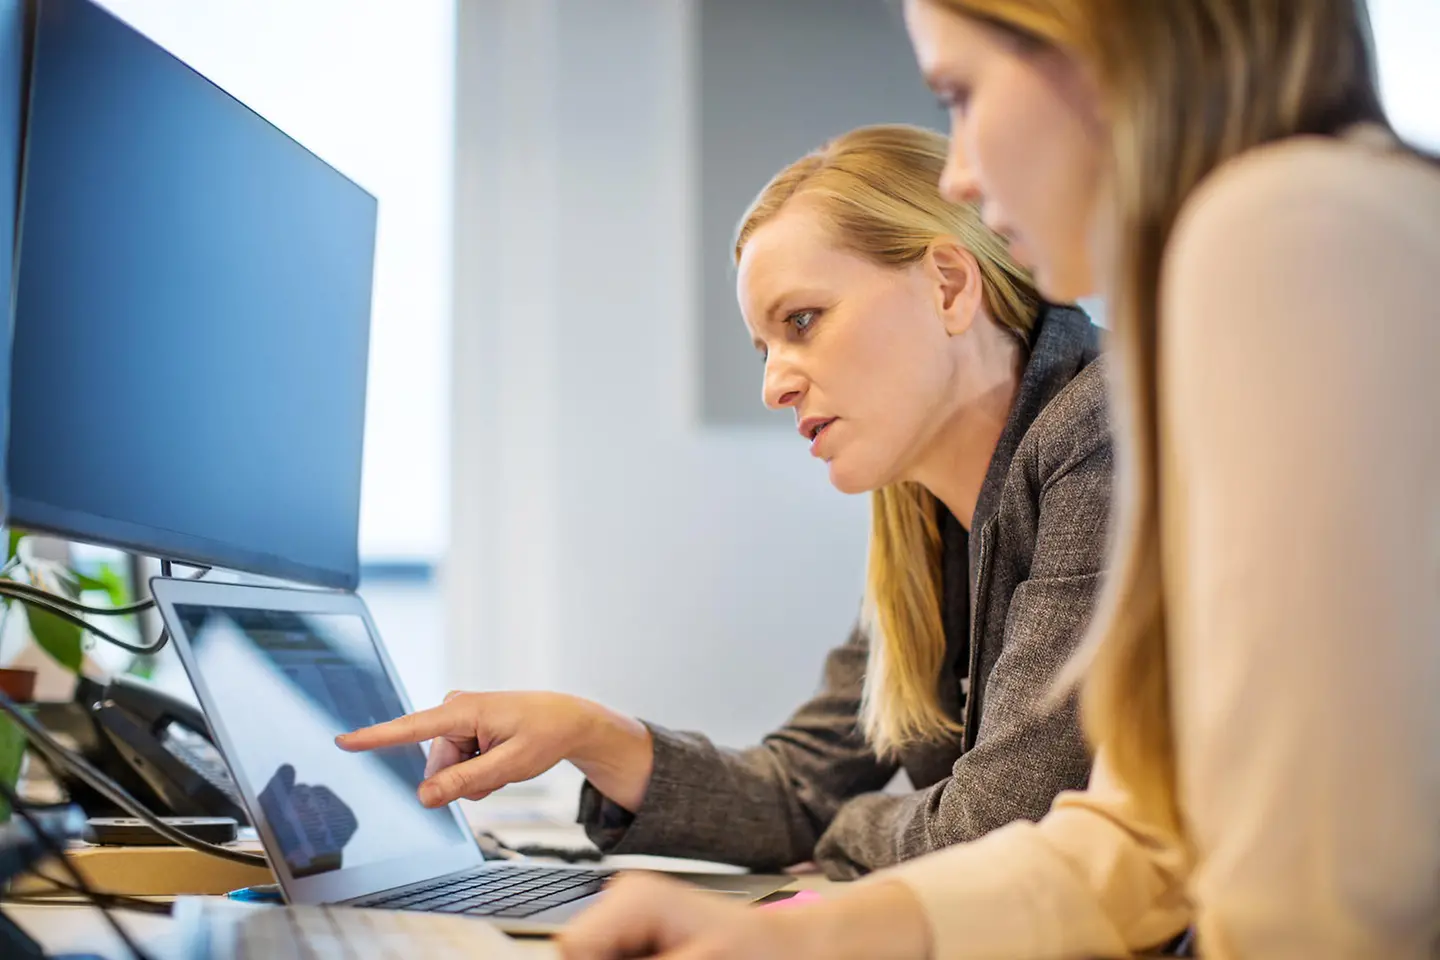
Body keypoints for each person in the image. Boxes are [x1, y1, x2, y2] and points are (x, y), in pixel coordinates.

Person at [552, 1, 1440, 957]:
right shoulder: (933, 503)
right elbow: (1143, 840)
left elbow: (1331, 902)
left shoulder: (1279, 234)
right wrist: (803, 931)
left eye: (960, 96)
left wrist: (842, 849)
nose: (963, 172)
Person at [339, 124, 1115, 880]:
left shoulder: (1100, 430)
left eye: (802, 321)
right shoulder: (919, 523)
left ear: (948, 285)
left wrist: (849, 830)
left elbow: (995, 835)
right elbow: (800, 789)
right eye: (766, 346)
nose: (775, 384)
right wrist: (588, 732)